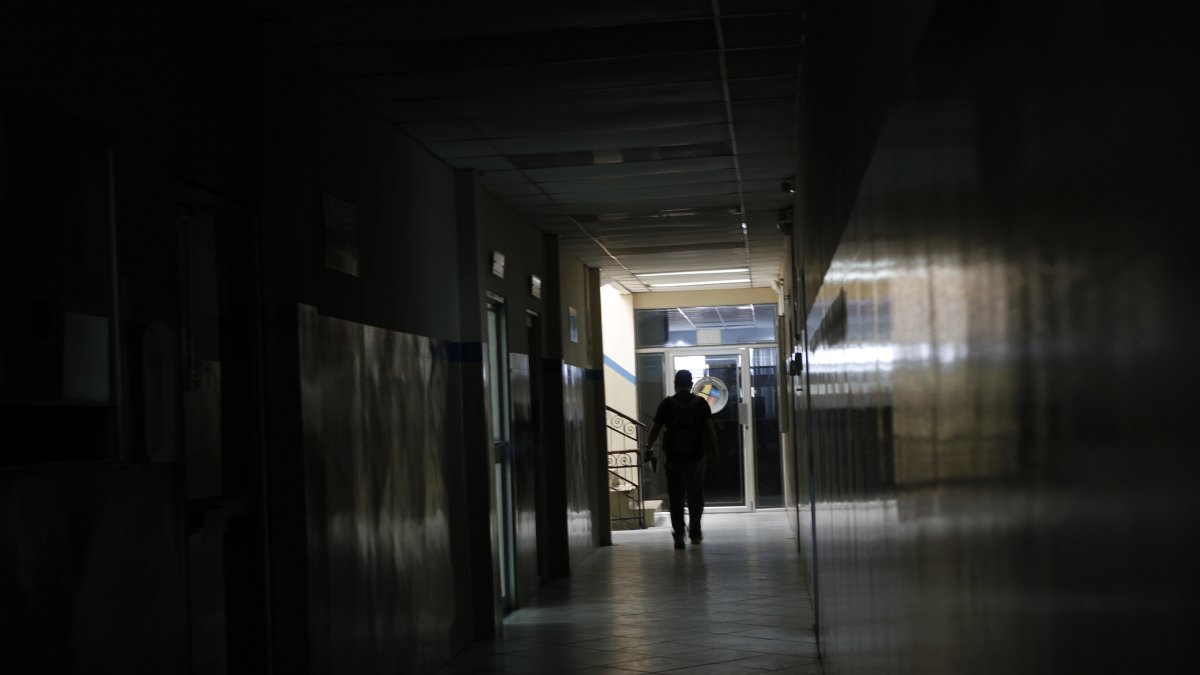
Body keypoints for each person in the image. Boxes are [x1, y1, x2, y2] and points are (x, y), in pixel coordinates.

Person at [643, 369, 719, 549]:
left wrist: (649, 448)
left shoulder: (667, 404)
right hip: (696, 457)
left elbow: (656, 429)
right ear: (691, 384)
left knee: (676, 497)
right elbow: (709, 429)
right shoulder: (701, 403)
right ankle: (695, 532)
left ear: (675, 384)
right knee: (695, 495)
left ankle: (678, 535)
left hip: (673, 458)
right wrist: (715, 451)